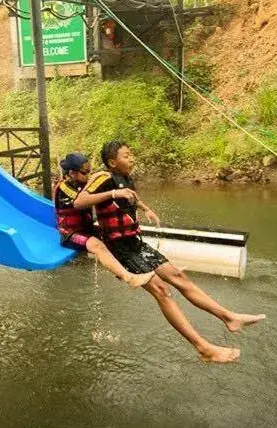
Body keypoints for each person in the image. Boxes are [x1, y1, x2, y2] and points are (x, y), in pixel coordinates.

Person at [76, 140, 266, 364]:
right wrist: (113, 195)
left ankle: (229, 318)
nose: (132, 159)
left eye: (131, 154)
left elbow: (130, 197)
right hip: (119, 249)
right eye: (126, 156)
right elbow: (80, 201)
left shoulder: (125, 178)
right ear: (112, 162)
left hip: (135, 243)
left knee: (178, 276)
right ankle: (203, 348)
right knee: (162, 291)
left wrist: (146, 209)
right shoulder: (103, 177)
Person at [54, 153, 154, 289]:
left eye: (90, 172)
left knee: (114, 236)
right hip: (70, 234)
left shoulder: (84, 184)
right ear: (72, 173)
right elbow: (82, 199)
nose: (89, 176)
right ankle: (129, 278)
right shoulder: (63, 188)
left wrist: (146, 209)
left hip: (88, 229)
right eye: (85, 173)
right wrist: (109, 192)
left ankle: (137, 268)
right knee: (97, 245)